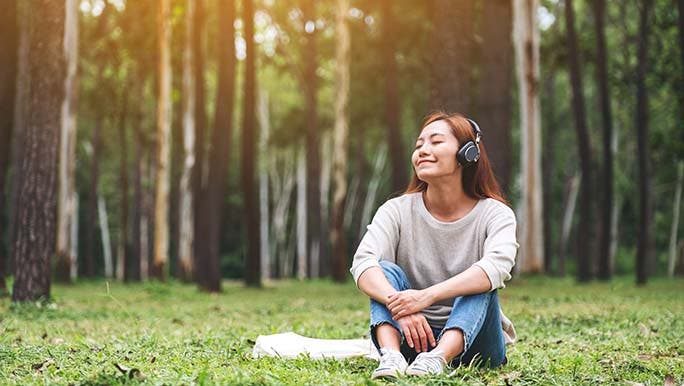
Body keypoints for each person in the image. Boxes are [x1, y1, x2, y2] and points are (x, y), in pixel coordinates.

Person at [350, 111, 519, 379]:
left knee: (480, 279)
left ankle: (439, 357)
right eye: (419, 145)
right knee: (383, 270)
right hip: (412, 339)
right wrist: (403, 308)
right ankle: (391, 355)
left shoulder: (495, 214)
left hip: (477, 346)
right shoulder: (396, 210)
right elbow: (363, 263)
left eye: (436, 142)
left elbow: (496, 267)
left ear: (467, 154)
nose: (423, 151)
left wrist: (424, 297)